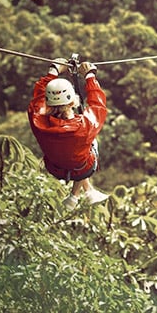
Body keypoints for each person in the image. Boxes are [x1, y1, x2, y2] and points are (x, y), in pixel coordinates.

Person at [28, 58, 109, 211]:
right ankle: (77, 195)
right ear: (73, 102)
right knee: (91, 144)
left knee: (76, 153)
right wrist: (89, 77)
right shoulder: (84, 126)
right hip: (82, 168)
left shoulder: (38, 121)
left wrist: (54, 70)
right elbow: (98, 105)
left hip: (55, 167)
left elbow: (37, 99)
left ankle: (85, 193)